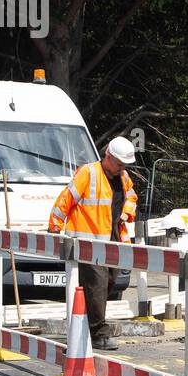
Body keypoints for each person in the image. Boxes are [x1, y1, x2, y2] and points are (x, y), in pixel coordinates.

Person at [48, 136, 138, 350]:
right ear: (108, 155)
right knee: (96, 286)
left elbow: (132, 197)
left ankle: (86, 325)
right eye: (119, 164)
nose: (121, 168)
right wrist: (54, 227)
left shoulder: (123, 176)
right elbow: (66, 199)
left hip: (113, 240)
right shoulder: (88, 172)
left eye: (124, 165)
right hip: (88, 241)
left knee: (108, 283)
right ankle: (99, 334)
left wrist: (127, 213)